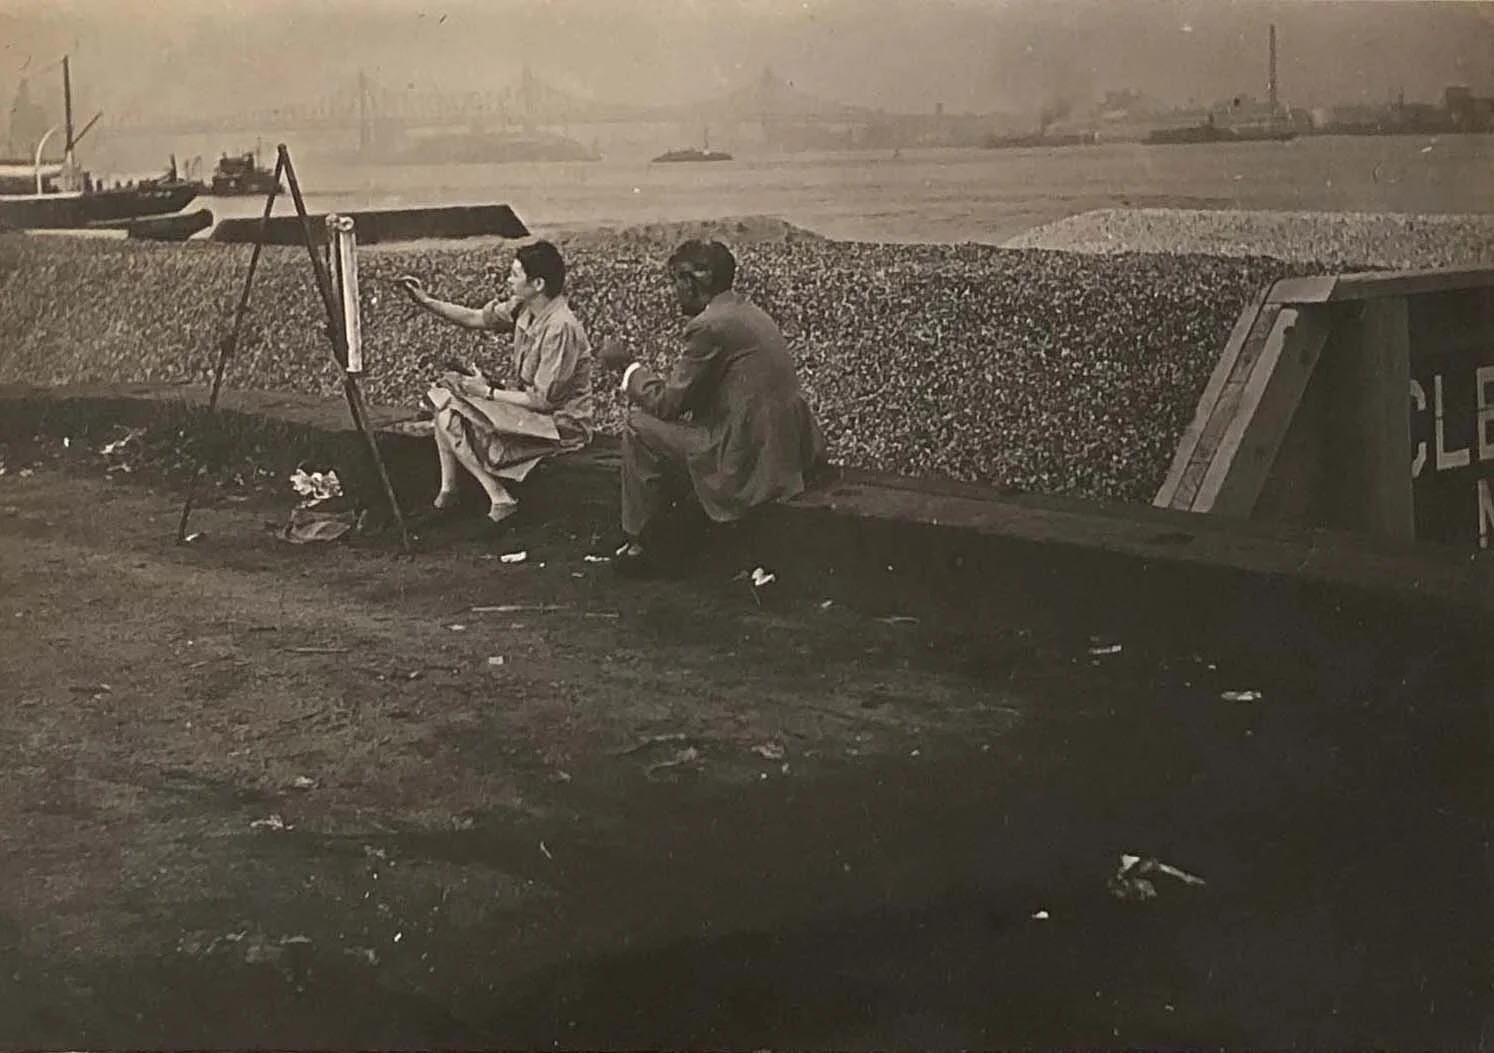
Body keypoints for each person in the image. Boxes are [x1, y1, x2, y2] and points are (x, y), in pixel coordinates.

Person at [596, 239, 826, 576]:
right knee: (670, 432)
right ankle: (664, 532)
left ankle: (639, 543)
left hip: (745, 459)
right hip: (786, 450)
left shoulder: (708, 326)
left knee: (638, 426)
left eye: (676, 282)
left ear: (691, 283)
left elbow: (668, 404)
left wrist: (628, 368)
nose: (674, 292)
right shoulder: (746, 312)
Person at [398, 240, 593, 527]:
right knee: (444, 396)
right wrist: (426, 301)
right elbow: (476, 318)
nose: (508, 280)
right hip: (532, 411)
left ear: (537, 283)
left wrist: (487, 392)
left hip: (560, 424)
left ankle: (496, 496)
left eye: (514, 274)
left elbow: (544, 401)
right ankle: (452, 493)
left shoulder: (560, 327)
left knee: (450, 409)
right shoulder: (524, 308)